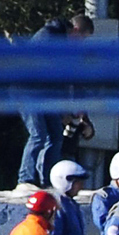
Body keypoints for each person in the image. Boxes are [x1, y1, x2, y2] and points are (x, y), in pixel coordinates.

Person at [15, 15, 93, 190]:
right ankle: (25, 180)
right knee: (38, 135)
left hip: (46, 95)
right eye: (82, 39)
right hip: (27, 91)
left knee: (56, 136)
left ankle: (47, 181)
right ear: (75, 31)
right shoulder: (48, 36)